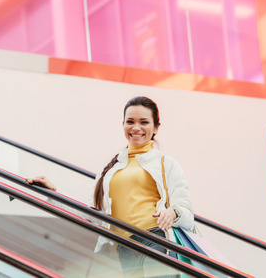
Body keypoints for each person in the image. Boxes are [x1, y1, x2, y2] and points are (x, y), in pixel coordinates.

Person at [27, 96, 195, 277]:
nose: (136, 127)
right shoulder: (110, 170)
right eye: (130, 121)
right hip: (125, 247)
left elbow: (187, 214)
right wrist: (54, 192)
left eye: (144, 122)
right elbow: (91, 215)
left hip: (156, 239)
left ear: (155, 127)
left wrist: (172, 213)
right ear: (123, 124)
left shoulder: (166, 164)